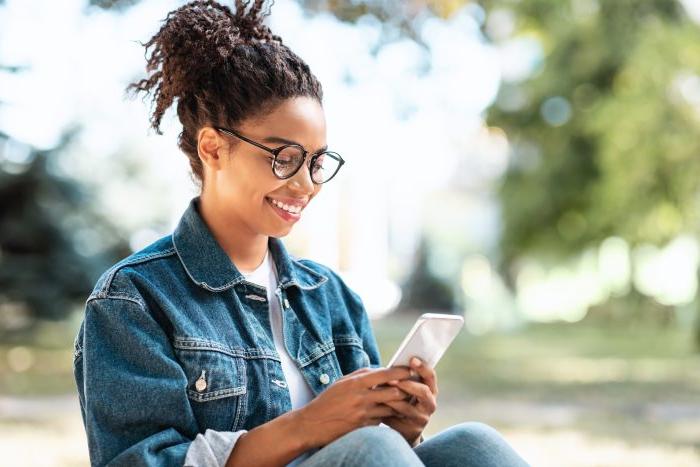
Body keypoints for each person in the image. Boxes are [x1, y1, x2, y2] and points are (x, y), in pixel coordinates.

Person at [72, 1, 531, 466]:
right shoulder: (134, 298)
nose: (306, 183)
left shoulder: (331, 296)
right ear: (213, 148)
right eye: (284, 157)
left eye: (315, 161)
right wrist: (309, 424)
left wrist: (399, 428)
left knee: (475, 445)